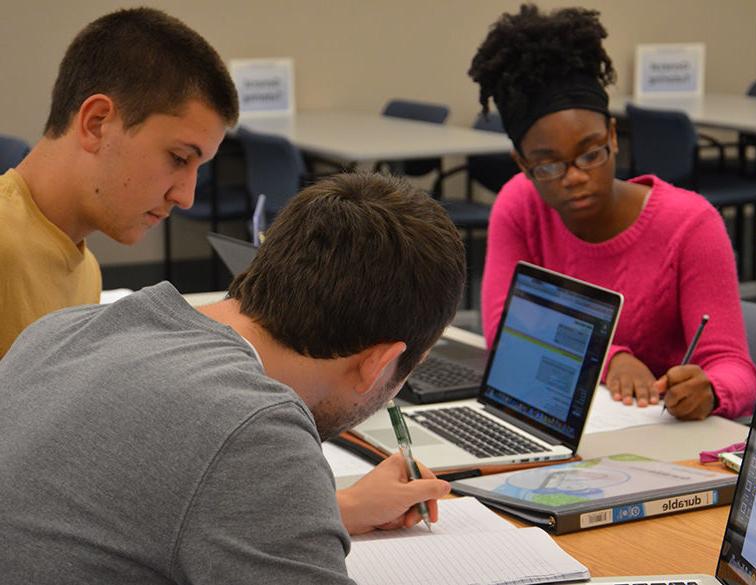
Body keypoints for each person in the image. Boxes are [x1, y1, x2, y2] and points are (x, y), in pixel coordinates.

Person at [0, 172, 466, 583]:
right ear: (378, 363)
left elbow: (135, 506)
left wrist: (331, 511)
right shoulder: (254, 427)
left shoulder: (65, 329)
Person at [469, 4, 756, 421]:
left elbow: (735, 366)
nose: (574, 178)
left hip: (662, 431)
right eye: (548, 166)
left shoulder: (691, 225)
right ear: (522, 163)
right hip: (563, 420)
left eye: (591, 154)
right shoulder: (520, 205)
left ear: (613, 136)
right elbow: (506, 332)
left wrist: (711, 389)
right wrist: (611, 359)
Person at [0, 7, 239, 358]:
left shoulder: (86, 271)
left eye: (198, 168)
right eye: (178, 158)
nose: (186, 196)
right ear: (97, 123)